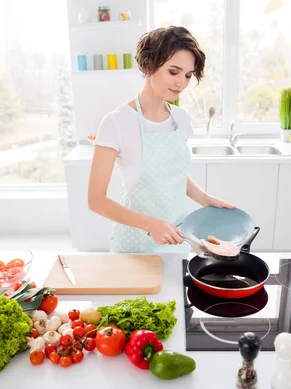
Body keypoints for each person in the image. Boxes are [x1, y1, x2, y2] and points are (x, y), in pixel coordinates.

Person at [88, 26, 234, 253]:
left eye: (188, 75)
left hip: (178, 239)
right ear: (149, 65)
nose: (181, 83)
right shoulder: (116, 122)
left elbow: (172, 174)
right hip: (134, 245)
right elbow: (96, 200)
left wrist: (205, 199)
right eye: (173, 72)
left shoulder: (181, 119)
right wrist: (150, 224)